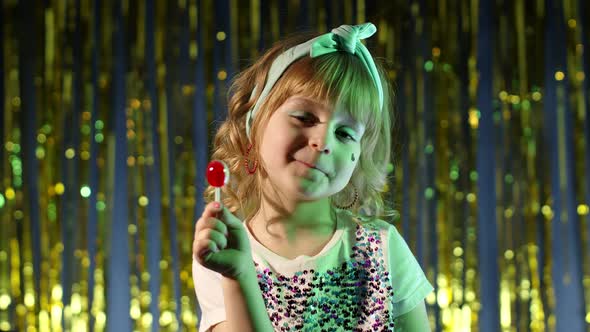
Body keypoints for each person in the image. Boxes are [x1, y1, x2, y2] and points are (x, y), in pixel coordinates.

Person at [192, 22, 434, 331]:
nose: (323, 141)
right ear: (253, 125)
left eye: (345, 133)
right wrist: (239, 274)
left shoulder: (383, 249)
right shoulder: (223, 254)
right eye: (305, 117)